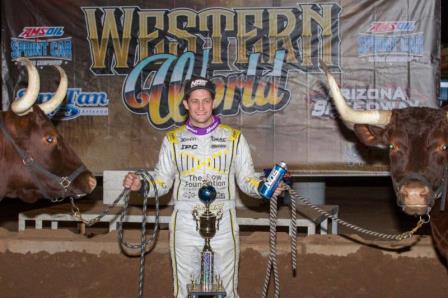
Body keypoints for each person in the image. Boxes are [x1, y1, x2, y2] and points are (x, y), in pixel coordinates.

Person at [123, 76, 281, 298]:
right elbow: (162, 182)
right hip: (186, 222)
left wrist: (267, 186)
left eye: (205, 100)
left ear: (213, 102)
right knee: (184, 290)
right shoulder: (173, 140)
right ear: (186, 104)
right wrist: (141, 185)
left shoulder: (233, 138)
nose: (200, 107)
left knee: (227, 289)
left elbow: (247, 180)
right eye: (195, 101)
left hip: (224, 220)